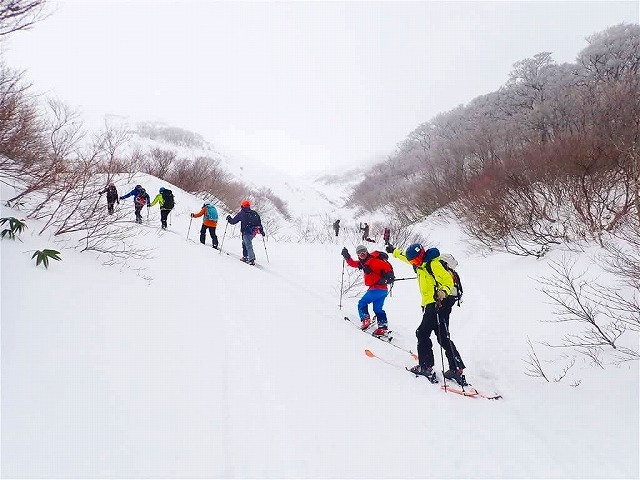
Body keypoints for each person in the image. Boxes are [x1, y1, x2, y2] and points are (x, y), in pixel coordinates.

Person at [386, 242, 467, 385]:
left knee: (422, 333)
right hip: (437, 305)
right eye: (412, 261)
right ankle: (456, 368)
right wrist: (394, 252)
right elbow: (406, 257)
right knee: (443, 336)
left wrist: (443, 292)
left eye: (415, 260)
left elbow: (447, 280)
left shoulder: (433, 264)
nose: (414, 263)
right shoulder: (419, 264)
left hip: (436, 303)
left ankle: (426, 366)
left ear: (421, 255)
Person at [341, 244, 394, 336]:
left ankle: (365, 319)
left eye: (363, 251)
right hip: (382, 290)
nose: (362, 254)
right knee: (377, 309)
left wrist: (390, 275)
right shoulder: (363, 262)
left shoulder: (373, 261)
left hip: (376, 288)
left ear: (366, 252)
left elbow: (386, 266)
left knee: (362, 303)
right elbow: (353, 263)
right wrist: (347, 256)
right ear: (357, 254)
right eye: (359, 252)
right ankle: (382, 327)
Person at [226, 199, 264, 265]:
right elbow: (259, 223)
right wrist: (261, 231)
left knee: (248, 245)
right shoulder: (254, 213)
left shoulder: (242, 213)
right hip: (253, 232)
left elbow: (233, 221)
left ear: (242, 206)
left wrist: (229, 219)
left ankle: (251, 259)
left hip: (246, 232)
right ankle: (245, 257)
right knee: (244, 243)